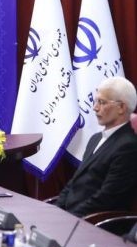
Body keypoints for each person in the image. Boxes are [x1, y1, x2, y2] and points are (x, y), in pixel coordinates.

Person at [55, 76, 137, 217]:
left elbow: (107, 198)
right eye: (95, 101)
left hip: (93, 222)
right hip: (72, 215)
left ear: (121, 107)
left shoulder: (128, 146)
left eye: (102, 102)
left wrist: (68, 218)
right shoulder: (95, 138)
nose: (95, 108)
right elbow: (75, 182)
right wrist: (56, 209)